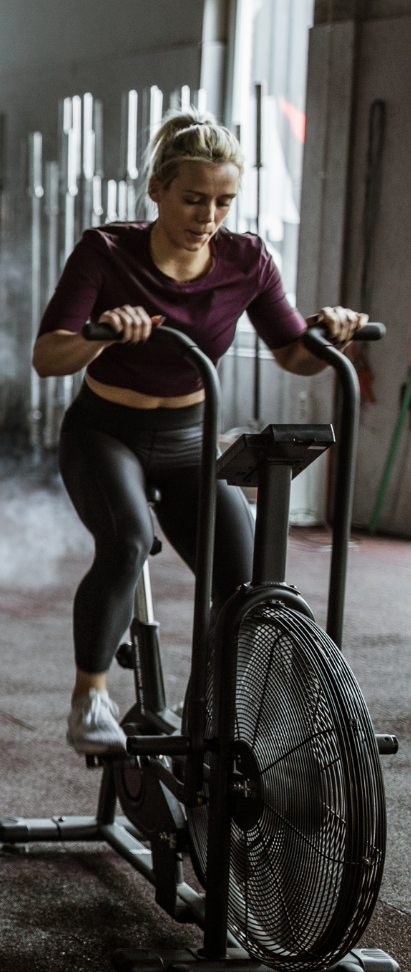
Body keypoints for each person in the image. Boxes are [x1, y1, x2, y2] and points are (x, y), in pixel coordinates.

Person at [33, 111, 366, 755]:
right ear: (157, 189)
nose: (208, 215)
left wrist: (331, 334)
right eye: (193, 199)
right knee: (128, 543)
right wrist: (101, 333)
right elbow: (48, 355)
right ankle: (90, 698)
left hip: (192, 437)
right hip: (107, 433)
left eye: (223, 201)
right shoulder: (106, 251)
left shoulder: (247, 261)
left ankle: (207, 704)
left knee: (244, 581)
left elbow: (293, 352)